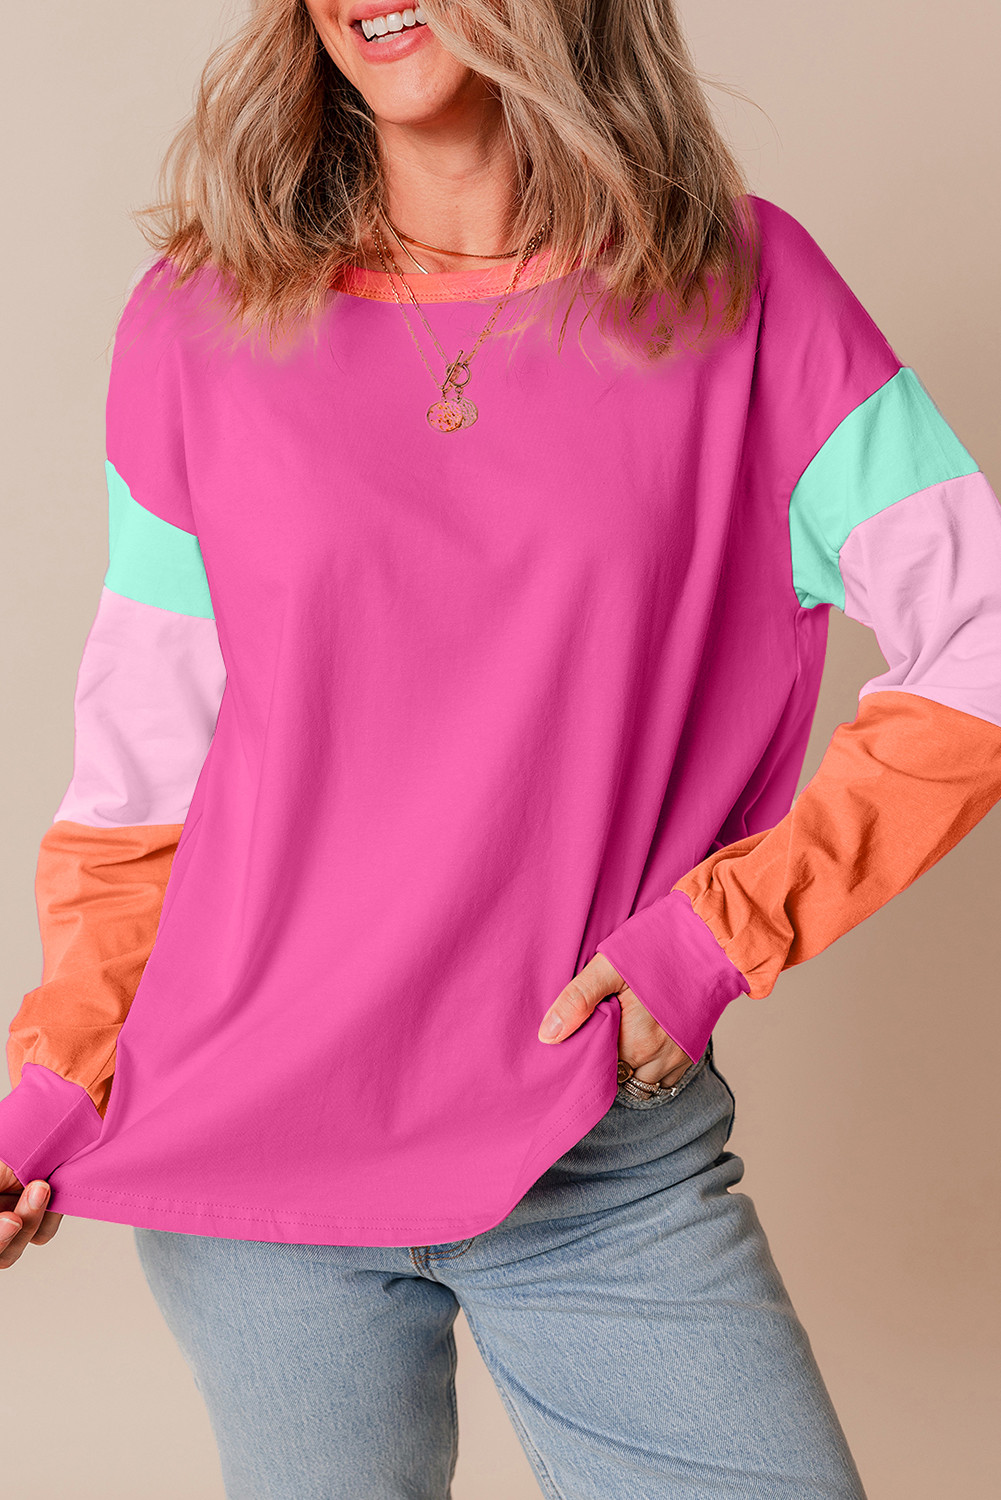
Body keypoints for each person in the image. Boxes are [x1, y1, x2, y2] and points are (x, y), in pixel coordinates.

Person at [2, 0, 1000, 1495]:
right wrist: (58, 1079)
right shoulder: (200, 321)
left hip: (592, 1148)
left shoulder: (747, 294)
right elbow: (141, 782)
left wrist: (720, 932)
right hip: (249, 1156)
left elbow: (982, 641)